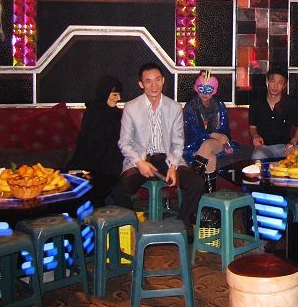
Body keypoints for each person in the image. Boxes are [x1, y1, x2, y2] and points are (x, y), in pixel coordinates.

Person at [112, 63, 204, 232]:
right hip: (140, 160)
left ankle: (181, 226)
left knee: (197, 183)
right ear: (141, 84)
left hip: (168, 158)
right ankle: (134, 229)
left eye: (157, 80)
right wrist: (140, 162)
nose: (153, 85)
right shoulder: (131, 108)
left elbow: (178, 142)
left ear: (163, 81)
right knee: (119, 190)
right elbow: (124, 142)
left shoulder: (174, 107)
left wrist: (173, 166)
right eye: (148, 81)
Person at [67, 75, 124, 207]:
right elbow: (88, 143)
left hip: (112, 160)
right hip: (91, 160)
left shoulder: (117, 113)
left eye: (119, 94)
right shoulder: (93, 112)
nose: (118, 98)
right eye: (114, 94)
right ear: (105, 93)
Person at [183, 70, 241, 194]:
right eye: (201, 88)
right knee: (210, 158)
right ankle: (208, 198)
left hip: (216, 144)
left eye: (208, 89)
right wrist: (211, 135)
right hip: (196, 144)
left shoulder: (219, 105)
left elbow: (225, 130)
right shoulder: (190, 107)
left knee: (209, 144)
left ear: (214, 90)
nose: (205, 93)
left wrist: (224, 141)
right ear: (196, 87)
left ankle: (190, 187)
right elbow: (192, 132)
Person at [248, 67, 298, 159]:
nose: (275, 86)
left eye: (280, 82)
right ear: (267, 82)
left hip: (285, 147)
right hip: (264, 147)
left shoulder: (291, 103)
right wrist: (255, 136)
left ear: (284, 86)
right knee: (257, 157)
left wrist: (293, 142)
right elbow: (252, 127)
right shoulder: (256, 103)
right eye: (273, 81)